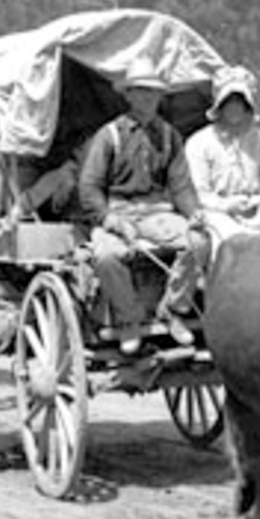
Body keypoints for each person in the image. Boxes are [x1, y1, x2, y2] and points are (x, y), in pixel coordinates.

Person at [77, 58, 204, 356]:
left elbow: (181, 187)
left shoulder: (170, 137)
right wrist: (110, 220)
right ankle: (129, 320)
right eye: (141, 91)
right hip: (120, 212)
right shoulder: (110, 136)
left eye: (154, 92)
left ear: (160, 96)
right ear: (129, 94)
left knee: (199, 240)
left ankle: (173, 309)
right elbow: (89, 187)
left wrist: (194, 213)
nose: (148, 98)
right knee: (107, 256)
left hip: (159, 213)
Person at [184, 64, 260, 248]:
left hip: (259, 212)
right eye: (228, 101)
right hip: (217, 214)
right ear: (219, 105)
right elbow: (199, 194)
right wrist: (227, 205)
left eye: (240, 101)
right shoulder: (198, 143)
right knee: (233, 240)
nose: (234, 107)